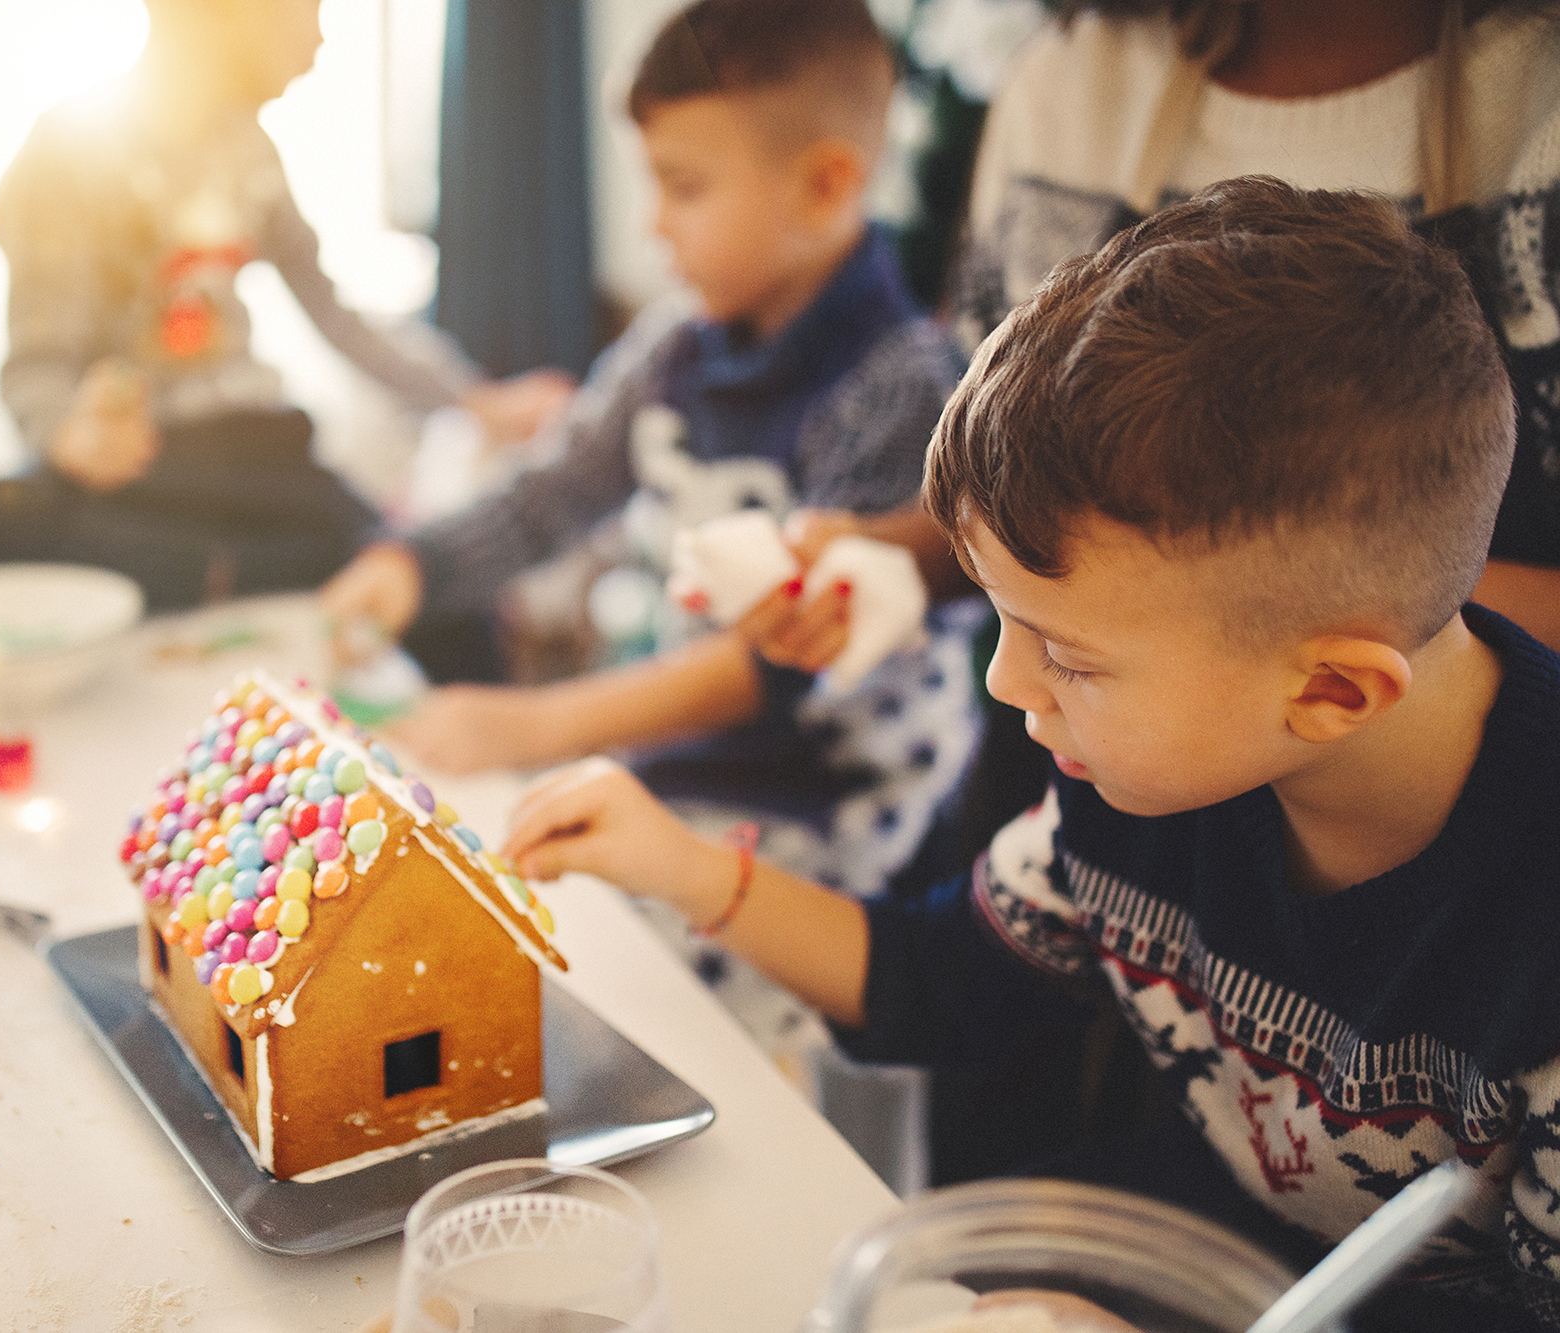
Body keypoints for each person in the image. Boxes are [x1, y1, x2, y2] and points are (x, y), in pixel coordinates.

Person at [504, 179, 1560, 1331]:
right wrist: (679, 863)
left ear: (1330, 691)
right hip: (1191, 1247)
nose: (1006, 684)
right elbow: (931, 980)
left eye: (1066, 654)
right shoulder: (1150, 774)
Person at [322, 0, 978, 906]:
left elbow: (781, 665)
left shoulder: (904, 388)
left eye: (684, 186)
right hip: (684, 770)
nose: (652, 225)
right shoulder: (674, 346)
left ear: (826, 186)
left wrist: (535, 725)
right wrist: (411, 563)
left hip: (833, 816)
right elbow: (552, 494)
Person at [749, 0, 1560, 670]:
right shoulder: (1069, 83)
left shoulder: (1539, 95)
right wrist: (895, 555)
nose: (1006, 684)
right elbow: (1024, 482)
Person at [0, 0, 571, 628]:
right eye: (309, 6)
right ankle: (238, 572)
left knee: (433, 585)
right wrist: (69, 435)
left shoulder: (251, 153)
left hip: (259, 457)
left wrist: (474, 401)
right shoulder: (67, 152)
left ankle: (214, 574)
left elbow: (339, 318)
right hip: (142, 470)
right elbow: (36, 369)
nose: (319, 39)